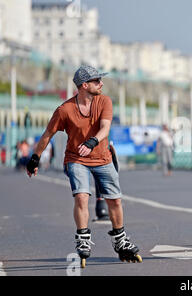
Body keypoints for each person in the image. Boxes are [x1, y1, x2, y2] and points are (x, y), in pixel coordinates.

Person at [26, 65, 142, 268]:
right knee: (81, 196)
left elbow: (105, 128)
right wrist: (35, 158)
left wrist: (92, 142)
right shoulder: (65, 110)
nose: (101, 84)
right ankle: (83, 239)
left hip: (103, 157)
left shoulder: (104, 101)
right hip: (76, 159)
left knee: (114, 200)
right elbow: (47, 135)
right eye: (97, 81)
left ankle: (120, 241)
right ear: (84, 85)